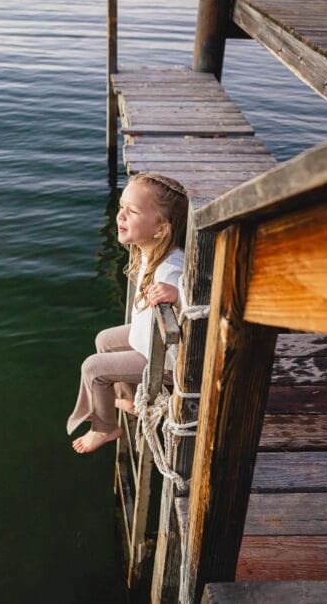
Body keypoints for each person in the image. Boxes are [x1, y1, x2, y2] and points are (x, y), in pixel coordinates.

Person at [67, 172, 188, 454]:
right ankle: (130, 398)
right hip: (146, 341)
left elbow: (200, 299)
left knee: (93, 369)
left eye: (131, 211)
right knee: (105, 340)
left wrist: (178, 296)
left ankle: (105, 427)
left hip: (164, 361)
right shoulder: (149, 249)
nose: (120, 215)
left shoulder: (171, 267)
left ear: (160, 229)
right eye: (121, 206)